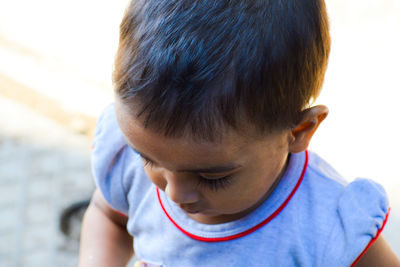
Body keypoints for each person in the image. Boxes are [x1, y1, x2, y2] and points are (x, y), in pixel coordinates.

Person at [79, 0, 400, 266]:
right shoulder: (129, 164)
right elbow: (110, 217)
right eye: (147, 158)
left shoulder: (328, 226)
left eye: (212, 177)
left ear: (299, 131)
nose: (173, 193)